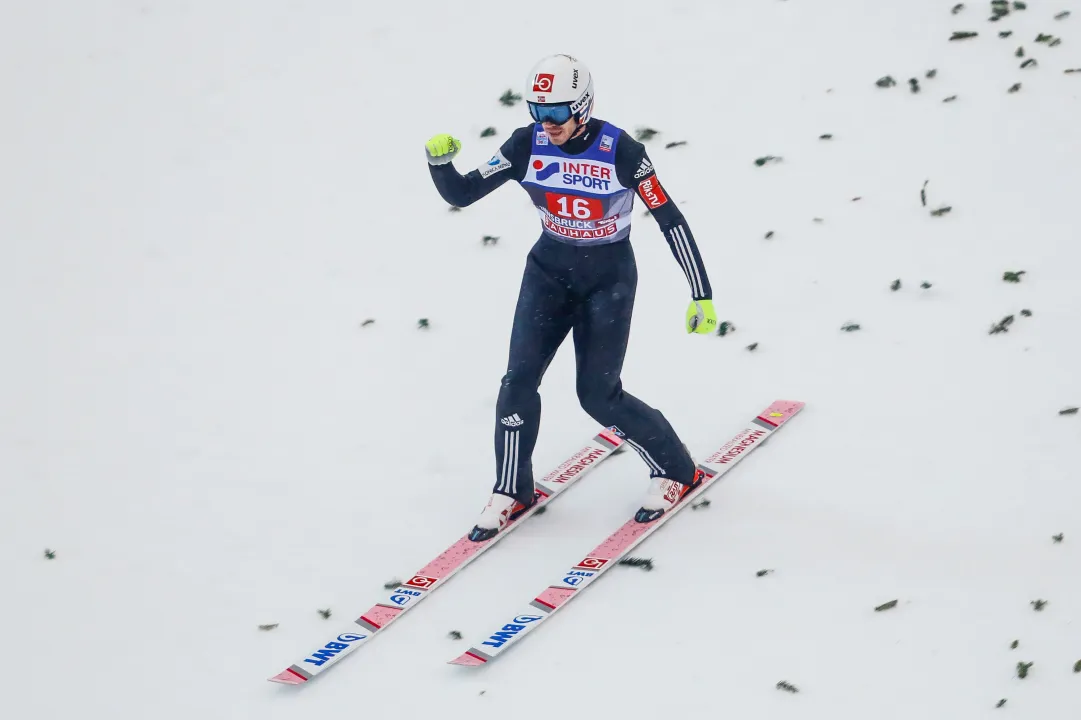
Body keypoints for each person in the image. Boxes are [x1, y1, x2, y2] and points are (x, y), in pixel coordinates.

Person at [424, 54, 717, 542]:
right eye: (537, 111)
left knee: (598, 396)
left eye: (557, 113)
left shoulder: (621, 150)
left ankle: (676, 470)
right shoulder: (526, 144)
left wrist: (700, 293)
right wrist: (440, 163)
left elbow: (669, 218)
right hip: (548, 274)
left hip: (608, 280)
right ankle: (512, 488)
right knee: (517, 382)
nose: (547, 124)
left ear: (582, 107)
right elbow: (463, 194)